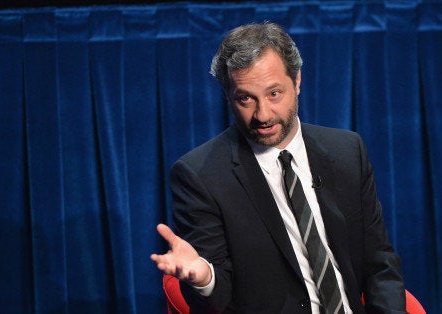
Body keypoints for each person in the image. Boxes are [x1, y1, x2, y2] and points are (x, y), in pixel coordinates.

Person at [151, 22, 406, 313]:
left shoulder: (347, 151)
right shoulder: (200, 176)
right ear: (227, 96)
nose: (263, 115)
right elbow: (217, 299)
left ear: (297, 81)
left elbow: (380, 263)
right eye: (245, 98)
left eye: (274, 93)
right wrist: (205, 277)